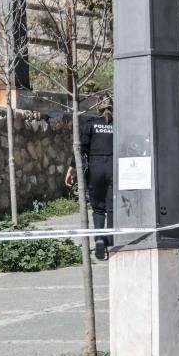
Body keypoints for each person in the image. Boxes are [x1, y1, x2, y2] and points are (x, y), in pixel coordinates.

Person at [65, 99, 114, 259]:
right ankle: (111, 242)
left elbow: (81, 148)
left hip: (95, 169)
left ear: (98, 108)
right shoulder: (119, 124)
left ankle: (100, 240)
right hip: (114, 168)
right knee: (113, 209)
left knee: (99, 209)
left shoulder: (90, 124)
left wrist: (72, 169)